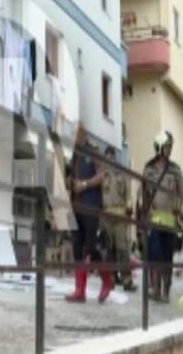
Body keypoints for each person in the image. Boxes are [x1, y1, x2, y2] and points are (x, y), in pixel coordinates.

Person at [65, 124, 113, 303]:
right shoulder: (72, 155)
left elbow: (102, 176)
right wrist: (70, 182)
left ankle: (107, 280)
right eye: (73, 134)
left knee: (89, 247)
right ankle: (80, 291)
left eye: (77, 133)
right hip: (76, 206)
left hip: (91, 205)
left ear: (84, 134)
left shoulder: (93, 151)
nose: (74, 137)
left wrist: (84, 184)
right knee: (77, 246)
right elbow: (68, 176)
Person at [141, 131, 183, 304]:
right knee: (156, 255)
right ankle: (156, 290)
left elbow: (182, 194)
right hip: (154, 219)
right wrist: (144, 210)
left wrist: (182, 211)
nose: (169, 150)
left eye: (170, 147)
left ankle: (166, 291)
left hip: (170, 220)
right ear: (158, 147)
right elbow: (143, 193)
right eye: (166, 146)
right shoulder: (149, 168)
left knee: (167, 257)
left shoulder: (176, 170)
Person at [101, 145, 137, 292]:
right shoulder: (101, 174)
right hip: (106, 216)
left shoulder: (121, 173)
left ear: (115, 158)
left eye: (112, 157)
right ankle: (111, 278)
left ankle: (127, 280)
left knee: (122, 249)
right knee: (109, 249)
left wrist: (129, 210)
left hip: (120, 216)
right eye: (107, 157)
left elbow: (128, 195)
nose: (110, 159)